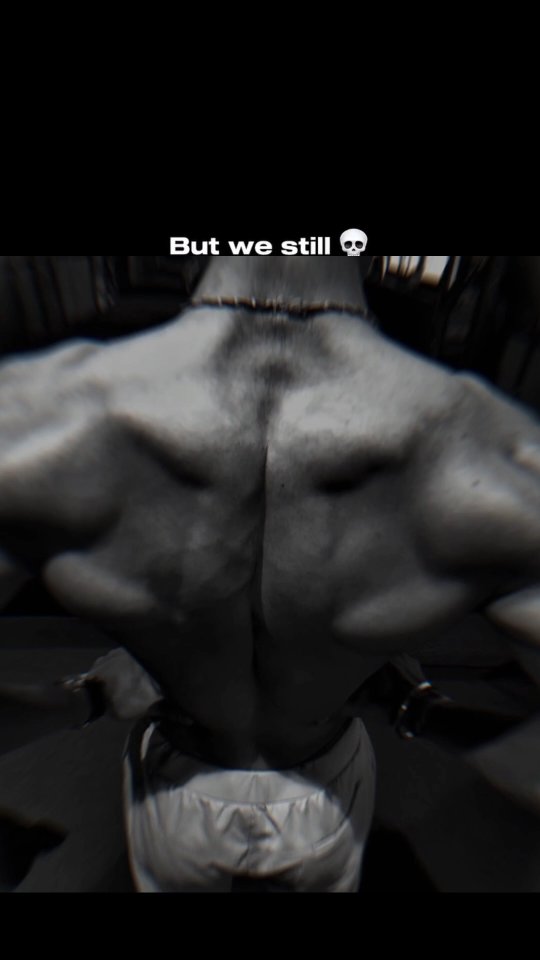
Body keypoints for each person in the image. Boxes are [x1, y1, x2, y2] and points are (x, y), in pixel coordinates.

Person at [1, 255, 540, 892]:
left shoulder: (37, 424)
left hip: (181, 783)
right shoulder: (500, 457)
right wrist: (417, 712)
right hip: (322, 791)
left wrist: (84, 699)